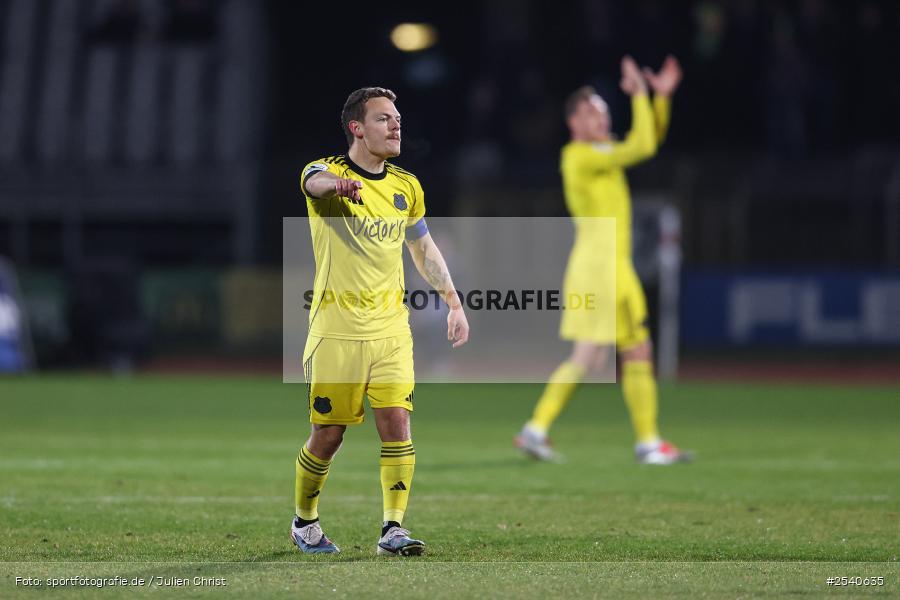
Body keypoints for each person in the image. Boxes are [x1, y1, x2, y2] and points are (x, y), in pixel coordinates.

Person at [293, 87, 469, 555]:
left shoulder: (406, 186)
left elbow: (423, 248)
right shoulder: (326, 171)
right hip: (337, 331)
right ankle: (304, 521)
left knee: (397, 423)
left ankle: (392, 528)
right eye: (383, 119)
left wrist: (453, 301)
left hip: (391, 330)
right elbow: (313, 183)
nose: (396, 127)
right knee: (328, 436)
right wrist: (338, 186)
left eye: (397, 119)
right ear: (357, 128)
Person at [515, 56, 692, 465]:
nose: (601, 119)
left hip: (616, 268)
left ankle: (647, 442)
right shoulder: (579, 156)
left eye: (604, 112)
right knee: (591, 356)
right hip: (598, 270)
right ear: (574, 121)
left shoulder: (603, 153)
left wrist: (658, 99)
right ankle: (537, 429)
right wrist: (642, 96)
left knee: (637, 350)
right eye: (594, 112)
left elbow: (649, 138)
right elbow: (644, 144)